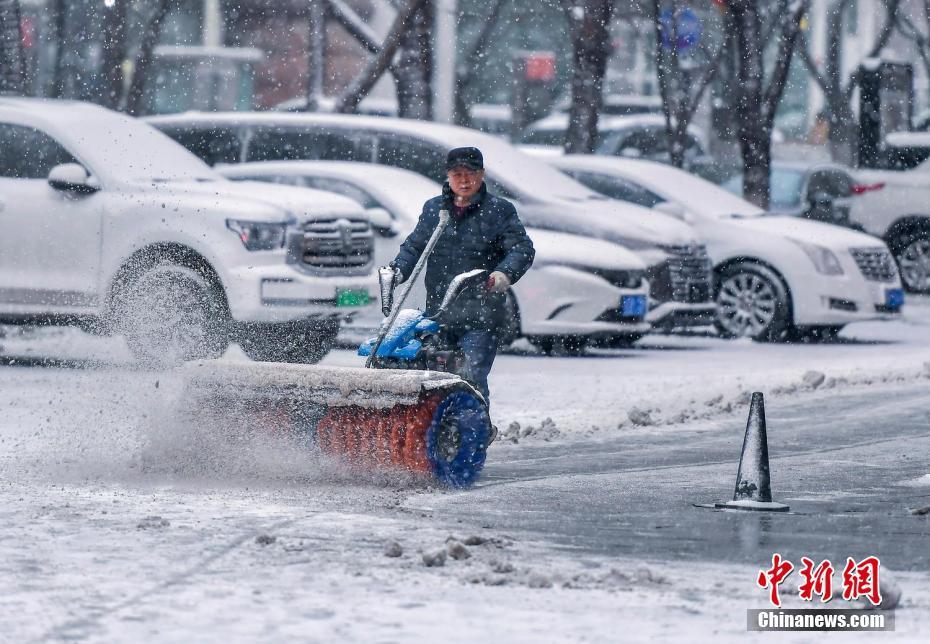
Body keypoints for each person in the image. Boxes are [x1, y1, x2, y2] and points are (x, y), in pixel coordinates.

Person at [390, 146, 535, 408]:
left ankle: (474, 430)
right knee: (436, 380)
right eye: (457, 174)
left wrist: (503, 274)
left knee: (471, 377)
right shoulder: (435, 210)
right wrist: (398, 270)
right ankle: (442, 432)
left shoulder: (499, 211)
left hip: (482, 315)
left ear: (482, 175)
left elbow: (521, 249)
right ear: (448, 176)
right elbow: (415, 246)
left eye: (471, 173)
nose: (464, 180)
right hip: (440, 313)